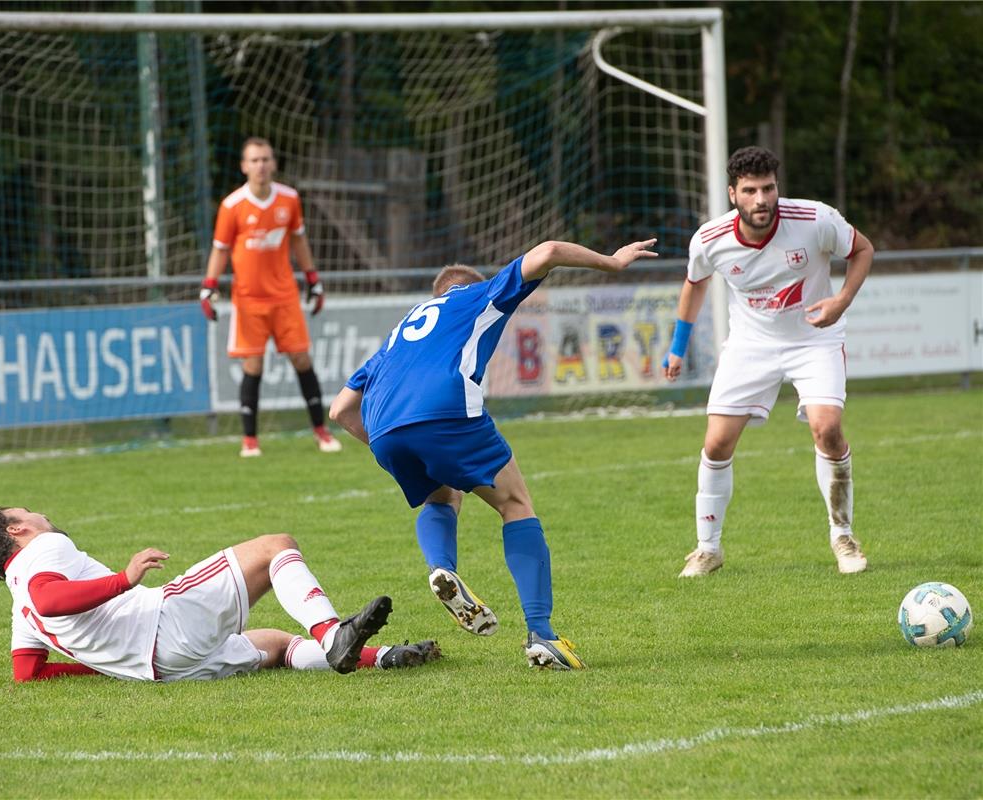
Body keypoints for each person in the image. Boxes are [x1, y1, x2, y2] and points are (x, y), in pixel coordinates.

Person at [329, 237, 659, 670]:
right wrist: (612, 263)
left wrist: (392, 445)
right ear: (466, 287)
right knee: (515, 503)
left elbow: (340, 409)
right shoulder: (479, 294)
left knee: (441, 495)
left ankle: (440, 567)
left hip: (385, 425)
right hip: (444, 408)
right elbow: (549, 251)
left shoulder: (400, 332)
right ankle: (542, 633)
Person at [662, 146, 875, 577]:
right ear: (733, 194)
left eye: (769, 188)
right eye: (751, 190)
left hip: (815, 339)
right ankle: (708, 549)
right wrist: (677, 346)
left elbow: (863, 250)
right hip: (750, 345)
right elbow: (694, 285)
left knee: (827, 429)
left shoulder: (814, 219)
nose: (762, 199)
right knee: (717, 443)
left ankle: (843, 536)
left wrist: (840, 301)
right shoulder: (710, 239)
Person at [0, 506, 440, 682]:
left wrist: (98, 665)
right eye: (33, 513)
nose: (46, 516)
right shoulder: (45, 546)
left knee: (272, 644)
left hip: (165, 670)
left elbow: (26, 672)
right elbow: (52, 598)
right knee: (277, 547)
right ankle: (333, 634)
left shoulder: (17, 604)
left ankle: (383, 657)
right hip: (164, 621)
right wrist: (124, 579)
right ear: (18, 528)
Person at [200, 137, 342, 458]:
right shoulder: (231, 206)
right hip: (248, 299)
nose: (260, 166)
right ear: (244, 166)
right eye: (254, 160)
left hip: (284, 297)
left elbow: (299, 242)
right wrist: (208, 285)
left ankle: (322, 432)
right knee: (253, 364)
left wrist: (313, 279)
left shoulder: (289, 200)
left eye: (265, 159)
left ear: (274, 163)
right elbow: (220, 249)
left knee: (302, 359)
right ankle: (250, 440)